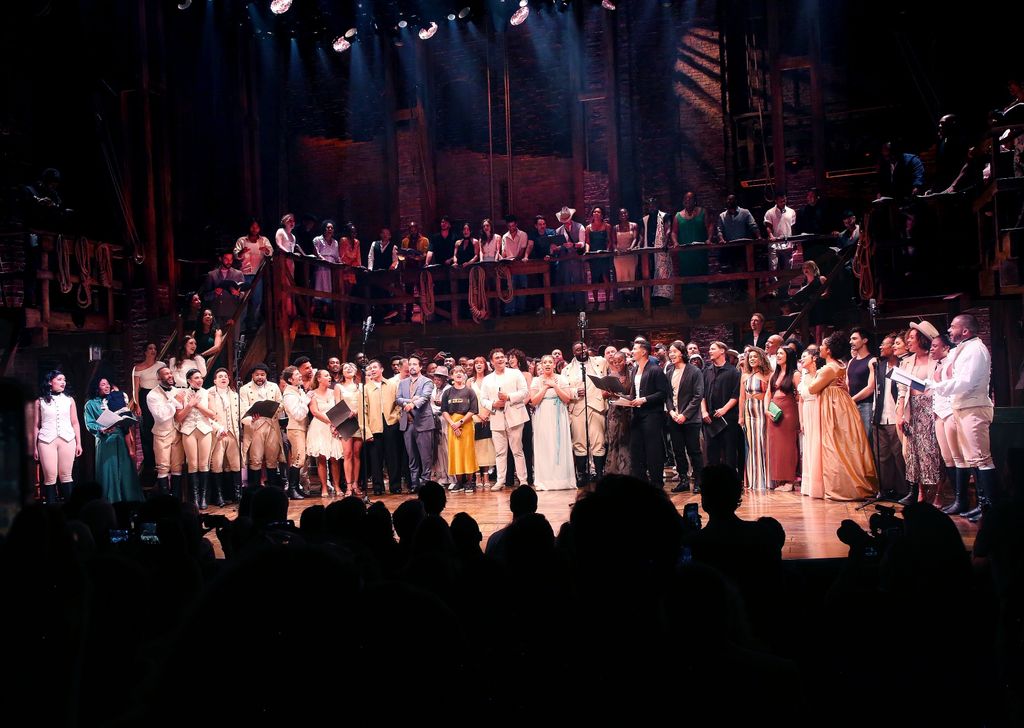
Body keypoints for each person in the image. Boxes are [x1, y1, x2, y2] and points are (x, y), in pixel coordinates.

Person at [927, 314, 997, 522]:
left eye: (952, 327)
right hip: (964, 407)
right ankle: (982, 505)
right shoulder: (964, 348)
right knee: (973, 458)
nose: (949, 330)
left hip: (974, 407)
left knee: (982, 458)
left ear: (965, 331)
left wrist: (935, 387)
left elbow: (965, 381)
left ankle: (989, 507)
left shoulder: (975, 349)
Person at [808, 332, 878, 500]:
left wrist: (812, 373)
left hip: (833, 407)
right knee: (844, 444)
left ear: (829, 350)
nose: (820, 348)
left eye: (823, 346)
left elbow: (812, 388)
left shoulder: (828, 369)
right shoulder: (840, 365)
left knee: (833, 444)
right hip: (841, 403)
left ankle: (842, 485)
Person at [896, 322, 943, 505]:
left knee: (933, 452)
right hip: (912, 408)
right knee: (914, 452)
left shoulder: (936, 360)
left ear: (922, 340)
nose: (908, 340)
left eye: (912, 337)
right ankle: (920, 493)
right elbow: (902, 390)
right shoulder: (906, 361)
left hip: (931, 408)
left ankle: (938, 493)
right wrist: (900, 413)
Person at [84, 377, 142, 503]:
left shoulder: (115, 399)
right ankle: (110, 501)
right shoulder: (91, 404)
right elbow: (89, 424)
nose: (107, 386)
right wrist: (102, 429)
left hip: (120, 438)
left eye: (108, 384)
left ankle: (129, 501)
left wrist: (127, 418)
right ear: (96, 387)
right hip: (105, 440)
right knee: (108, 471)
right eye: (103, 384)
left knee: (125, 470)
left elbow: (127, 414)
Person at [479, 348, 530, 491]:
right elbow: (483, 399)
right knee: (500, 452)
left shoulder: (515, 373)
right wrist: (493, 404)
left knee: (517, 450)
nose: (501, 359)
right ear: (492, 361)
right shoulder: (488, 379)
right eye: (497, 358)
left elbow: (524, 392)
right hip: (496, 417)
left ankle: (523, 480)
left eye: (502, 357)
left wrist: (508, 397)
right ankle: (500, 480)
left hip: (515, 416)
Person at [562, 341, 608, 486]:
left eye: (584, 348)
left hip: (596, 406)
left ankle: (600, 473)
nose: (581, 350)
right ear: (573, 352)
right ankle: (582, 474)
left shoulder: (600, 362)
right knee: (579, 442)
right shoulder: (567, 369)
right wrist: (575, 392)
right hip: (577, 408)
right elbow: (563, 389)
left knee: (598, 441)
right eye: (577, 349)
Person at [626, 338, 671, 488]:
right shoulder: (634, 370)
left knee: (653, 449)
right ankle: (640, 482)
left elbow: (663, 393)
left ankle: (657, 483)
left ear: (644, 351)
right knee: (636, 448)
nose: (632, 351)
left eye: (635, 349)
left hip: (652, 414)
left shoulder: (655, 369)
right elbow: (635, 392)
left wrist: (644, 399)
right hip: (637, 414)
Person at [527, 355, 576, 491]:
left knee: (558, 446)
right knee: (545, 445)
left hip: (558, 415)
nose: (547, 365)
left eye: (550, 362)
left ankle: (562, 480)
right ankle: (545, 480)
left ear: (554, 364)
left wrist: (554, 386)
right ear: (541, 365)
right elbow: (534, 401)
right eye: (544, 363)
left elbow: (567, 398)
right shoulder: (536, 381)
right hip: (543, 416)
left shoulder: (561, 379)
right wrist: (544, 388)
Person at [929, 334, 966, 512]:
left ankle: (962, 500)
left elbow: (954, 388)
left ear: (946, 348)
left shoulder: (952, 361)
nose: (931, 349)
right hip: (939, 413)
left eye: (935, 346)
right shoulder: (940, 364)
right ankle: (957, 498)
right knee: (947, 457)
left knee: (958, 456)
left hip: (950, 412)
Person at [35, 371, 82, 504]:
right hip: (46, 440)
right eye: (60, 379)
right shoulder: (40, 401)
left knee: (66, 476)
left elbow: (75, 422)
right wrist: (34, 447)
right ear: (50, 382)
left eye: (64, 380)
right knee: (50, 477)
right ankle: (51, 512)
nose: (63, 382)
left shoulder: (69, 400)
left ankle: (70, 511)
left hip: (67, 439)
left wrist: (79, 443)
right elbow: (36, 426)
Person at [174, 368, 217, 510]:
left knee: (204, 464)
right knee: (192, 464)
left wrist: (198, 405)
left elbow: (212, 414)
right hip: (188, 430)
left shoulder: (207, 393)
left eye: (201, 377)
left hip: (204, 429)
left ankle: (203, 497)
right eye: (196, 378)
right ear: (189, 380)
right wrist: (189, 405)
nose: (199, 380)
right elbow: (178, 417)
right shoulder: (182, 394)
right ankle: (194, 498)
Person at [872, 333, 908, 500]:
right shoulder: (880, 366)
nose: (881, 347)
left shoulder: (903, 365)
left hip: (896, 416)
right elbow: (877, 391)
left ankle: (903, 490)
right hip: (880, 415)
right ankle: (885, 489)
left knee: (898, 455)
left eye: (884, 344)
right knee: (882, 455)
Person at [666, 341, 704, 494]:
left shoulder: (694, 371)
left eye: (674, 351)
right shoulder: (669, 372)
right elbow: (667, 395)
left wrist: (685, 415)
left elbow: (698, 395)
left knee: (694, 450)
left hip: (691, 419)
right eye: (670, 351)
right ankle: (683, 480)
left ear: (681, 352)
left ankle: (699, 482)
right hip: (674, 418)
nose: (671, 354)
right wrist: (671, 411)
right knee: (678, 451)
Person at [239, 363, 284, 490]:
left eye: (262, 375)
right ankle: (255, 489)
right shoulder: (245, 389)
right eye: (257, 375)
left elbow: (281, 404)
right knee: (256, 459)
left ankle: (273, 489)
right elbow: (242, 409)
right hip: (255, 427)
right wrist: (252, 415)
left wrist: (272, 409)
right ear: (252, 375)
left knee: (272, 459)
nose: (260, 377)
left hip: (271, 426)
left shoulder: (274, 387)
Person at [396, 355, 435, 493]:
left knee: (425, 456)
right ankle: (414, 484)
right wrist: (410, 401)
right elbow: (398, 399)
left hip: (423, 423)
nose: (412, 366)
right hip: (408, 424)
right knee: (411, 456)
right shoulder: (402, 382)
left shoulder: (427, 382)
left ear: (420, 367)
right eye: (410, 364)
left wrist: (412, 404)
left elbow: (424, 397)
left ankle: (425, 483)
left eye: (415, 364)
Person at [701, 341, 742, 471]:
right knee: (711, 453)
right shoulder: (706, 371)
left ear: (722, 351)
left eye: (713, 349)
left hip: (728, 418)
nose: (710, 351)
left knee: (729, 452)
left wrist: (724, 409)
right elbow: (701, 394)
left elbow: (736, 395)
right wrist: (703, 411)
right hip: (710, 419)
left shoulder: (733, 372)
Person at [147, 366, 185, 499]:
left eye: (170, 373)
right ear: (159, 378)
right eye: (166, 374)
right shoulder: (152, 395)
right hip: (162, 434)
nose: (170, 376)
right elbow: (161, 416)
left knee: (177, 466)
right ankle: (165, 501)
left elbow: (182, 410)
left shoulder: (177, 390)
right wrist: (175, 401)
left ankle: (176, 499)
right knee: (163, 467)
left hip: (178, 433)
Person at [672, 192, 714, 307]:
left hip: (699, 253)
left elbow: (710, 225)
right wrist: (675, 242)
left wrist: (709, 239)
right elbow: (674, 232)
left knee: (700, 276)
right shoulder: (678, 216)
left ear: (695, 201)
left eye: (690, 199)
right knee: (687, 279)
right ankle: (688, 303)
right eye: (685, 199)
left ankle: (702, 302)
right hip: (685, 256)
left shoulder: (702, 212)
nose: (687, 201)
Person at [767, 347, 801, 492]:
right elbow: (768, 393)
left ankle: (790, 480)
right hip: (773, 412)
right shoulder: (774, 374)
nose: (778, 355)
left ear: (789, 356)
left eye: (781, 353)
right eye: (778, 353)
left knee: (788, 446)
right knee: (776, 447)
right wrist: (766, 410)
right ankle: (780, 479)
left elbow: (800, 396)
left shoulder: (795, 374)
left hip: (788, 412)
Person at [306, 369, 344, 498]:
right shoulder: (312, 394)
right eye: (326, 376)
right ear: (318, 379)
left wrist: (336, 423)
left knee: (335, 458)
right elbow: (315, 412)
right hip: (319, 427)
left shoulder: (334, 392)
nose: (329, 378)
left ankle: (337, 485)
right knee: (321, 458)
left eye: (329, 376)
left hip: (334, 427)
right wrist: (332, 421)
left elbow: (340, 408)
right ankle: (323, 487)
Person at [206, 368, 242, 506]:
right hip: (217, 434)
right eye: (220, 376)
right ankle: (218, 496)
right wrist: (217, 428)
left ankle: (236, 494)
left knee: (235, 464)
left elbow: (241, 412)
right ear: (215, 380)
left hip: (232, 433)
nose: (223, 378)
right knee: (217, 464)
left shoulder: (234, 394)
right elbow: (206, 415)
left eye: (226, 376)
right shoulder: (209, 394)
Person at [738, 348, 772, 492]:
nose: (751, 359)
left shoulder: (768, 374)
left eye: (755, 357)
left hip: (761, 410)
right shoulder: (744, 375)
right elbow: (741, 397)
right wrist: (740, 416)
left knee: (762, 443)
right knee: (751, 445)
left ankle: (765, 480)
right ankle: (753, 480)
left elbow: (770, 394)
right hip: (748, 411)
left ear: (761, 358)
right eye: (750, 357)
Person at [440, 365, 479, 492]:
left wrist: (460, 422)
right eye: (455, 372)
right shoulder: (447, 392)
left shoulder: (470, 391)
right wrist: (453, 424)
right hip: (452, 425)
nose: (458, 374)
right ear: (451, 376)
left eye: (461, 372)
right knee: (455, 453)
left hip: (466, 424)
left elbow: (473, 410)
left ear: (464, 376)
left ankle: (469, 482)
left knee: (467, 453)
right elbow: (444, 410)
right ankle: (458, 482)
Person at [131, 341, 165, 480]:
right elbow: (135, 389)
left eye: (155, 348)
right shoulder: (138, 368)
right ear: (145, 351)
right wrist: (137, 405)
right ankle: (150, 463)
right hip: (145, 397)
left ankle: (161, 460)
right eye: (150, 348)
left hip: (158, 395)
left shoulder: (161, 365)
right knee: (146, 430)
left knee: (161, 427)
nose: (153, 350)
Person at [233, 217, 273, 334]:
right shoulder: (242, 240)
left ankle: (253, 324)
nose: (255, 229)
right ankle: (242, 327)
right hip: (244, 275)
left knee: (256, 301)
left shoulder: (263, 240)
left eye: (257, 227)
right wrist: (241, 252)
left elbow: (270, 252)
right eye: (253, 226)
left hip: (258, 275)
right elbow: (236, 254)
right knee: (243, 301)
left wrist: (266, 250)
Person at [336, 362, 367, 497]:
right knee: (347, 454)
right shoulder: (339, 387)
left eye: (351, 368)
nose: (348, 370)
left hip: (358, 420)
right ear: (342, 372)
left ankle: (356, 484)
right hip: (345, 422)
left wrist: (356, 411)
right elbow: (337, 405)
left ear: (356, 372)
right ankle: (348, 486)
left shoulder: (360, 386)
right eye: (346, 368)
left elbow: (365, 404)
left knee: (356, 454)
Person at [797, 346, 823, 498]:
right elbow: (800, 400)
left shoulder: (820, 374)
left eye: (804, 357)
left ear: (813, 358)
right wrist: (801, 420)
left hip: (817, 410)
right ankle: (809, 485)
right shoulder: (803, 376)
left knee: (817, 445)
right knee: (808, 446)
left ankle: (819, 484)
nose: (801, 360)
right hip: (806, 410)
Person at [602, 350, 632, 476]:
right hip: (614, 412)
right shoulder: (611, 376)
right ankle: (613, 472)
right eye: (615, 361)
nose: (617, 363)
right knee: (614, 441)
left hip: (627, 411)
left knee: (626, 441)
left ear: (625, 361)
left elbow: (633, 394)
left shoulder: (631, 374)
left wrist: (623, 395)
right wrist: (610, 393)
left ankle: (626, 471)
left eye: (620, 361)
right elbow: (603, 395)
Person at [281, 365, 310, 501]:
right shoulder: (289, 394)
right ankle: (292, 489)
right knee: (299, 459)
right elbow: (298, 414)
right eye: (297, 374)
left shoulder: (298, 390)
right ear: (290, 379)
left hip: (303, 428)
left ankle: (296, 487)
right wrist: (306, 399)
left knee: (301, 459)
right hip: (295, 428)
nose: (300, 376)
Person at [640, 198, 674, 305]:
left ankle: (663, 298)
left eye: (653, 204)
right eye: (649, 205)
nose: (651, 207)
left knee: (662, 273)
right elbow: (641, 236)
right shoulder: (644, 220)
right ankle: (650, 300)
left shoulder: (665, 216)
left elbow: (668, 230)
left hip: (661, 249)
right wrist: (638, 245)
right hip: (649, 251)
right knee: (649, 273)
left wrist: (666, 241)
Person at [469, 356, 496, 489]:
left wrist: (486, 413)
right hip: (474, 417)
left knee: (486, 447)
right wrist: (478, 413)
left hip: (489, 416)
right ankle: (477, 475)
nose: (479, 365)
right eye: (476, 363)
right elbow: (467, 401)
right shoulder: (470, 381)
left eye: (481, 363)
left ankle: (486, 475)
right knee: (475, 447)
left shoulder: (490, 380)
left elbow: (493, 398)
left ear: (485, 365)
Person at [554, 206, 587, 312]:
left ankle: (580, 306)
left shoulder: (580, 227)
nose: (565, 222)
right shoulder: (559, 230)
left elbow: (582, 243)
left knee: (578, 281)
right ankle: (567, 306)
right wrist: (557, 248)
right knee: (566, 281)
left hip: (576, 258)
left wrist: (573, 244)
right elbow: (558, 246)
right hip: (564, 259)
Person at [200, 250, 246, 327]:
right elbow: (205, 296)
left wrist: (238, 293)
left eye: (231, 259)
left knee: (233, 338)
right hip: (216, 314)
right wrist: (214, 293)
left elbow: (244, 293)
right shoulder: (212, 274)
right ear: (220, 259)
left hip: (232, 313)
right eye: (226, 259)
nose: (229, 262)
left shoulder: (238, 274)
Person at [847, 328, 876, 444]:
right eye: (850, 339)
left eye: (854, 338)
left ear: (864, 340)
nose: (851, 341)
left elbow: (870, 388)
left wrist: (852, 399)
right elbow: (847, 383)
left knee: (866, 440)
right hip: (851, 405)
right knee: (853, 441)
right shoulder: (851, 361)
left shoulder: (871, 360)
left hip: (866, 405)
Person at [584, 207, 614, 311]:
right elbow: (587, 242)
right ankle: (596, 302)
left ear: (602, 214)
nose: (596, 213)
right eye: (594, 212)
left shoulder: (607, 226)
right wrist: (587, 251)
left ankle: (607, 302)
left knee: (606, 277)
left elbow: (610, 241)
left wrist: (606, 250)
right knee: (594, 279)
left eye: (598, 212)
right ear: (592, 214)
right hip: (594, 256)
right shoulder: (588, 228)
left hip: (604, 255)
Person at [312, 220, 341, 318]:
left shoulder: (335, 242)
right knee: (319, 292)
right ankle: (315, 314)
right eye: (328, 227)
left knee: (329, 293)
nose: (330, 229)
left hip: (331, 269)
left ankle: (327, 315)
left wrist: (341, 263)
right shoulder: (317, 239)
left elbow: (337, 257)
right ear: (324, 229)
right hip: (321, 267)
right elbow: (316, 253)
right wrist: (324, 261)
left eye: (331, 228)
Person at [429, 366, 452, 487]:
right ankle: (442, 476)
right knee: (438, 450)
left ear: (444, 379)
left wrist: (441, 405)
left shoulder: (449, 390)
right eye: (435, 379)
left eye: (439, 379)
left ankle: (452, 477)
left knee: (447, 449)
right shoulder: (433, 390)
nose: (436, 381)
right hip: (435, 420)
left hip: (446, 420)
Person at [612, 208, 638, 304]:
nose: (623, 215)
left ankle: (631, 298)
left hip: (630, 254)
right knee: (621, 276)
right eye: (621, 214)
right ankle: (623, 298)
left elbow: (635, 238)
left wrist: (631, 248)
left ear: (628, 214)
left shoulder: (634, 225)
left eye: (625, 213)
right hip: (620, 255)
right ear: (619, 216)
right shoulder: (615, 228)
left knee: (630, 275)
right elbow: (614, 241)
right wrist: (615, 249)